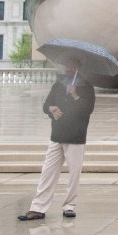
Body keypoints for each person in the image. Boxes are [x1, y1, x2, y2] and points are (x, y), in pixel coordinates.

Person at [18, 58, 95, 221]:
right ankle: (38, 207)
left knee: (74, 173)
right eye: (66, 64)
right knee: (48, 171)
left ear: (78, 67)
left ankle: (69, 205)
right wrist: (51, 109)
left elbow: (87, 109)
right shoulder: (58, 84)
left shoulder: (86, 87)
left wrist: (75, 96)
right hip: (57, 134)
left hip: (75, 136)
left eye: (72, 64)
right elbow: (46, 104)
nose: (68, 67)